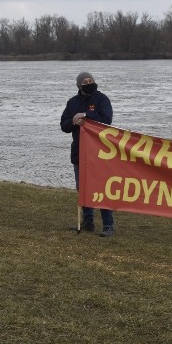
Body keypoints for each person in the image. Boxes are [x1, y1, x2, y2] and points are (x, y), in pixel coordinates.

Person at [60, 71, 115, 236]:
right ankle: (88, 220)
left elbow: (106, 120)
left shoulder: (102, 99)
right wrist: (73, 122)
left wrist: (86, 115)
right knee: (82, 187)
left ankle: (108, 224)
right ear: (79, 85)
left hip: (100, 152)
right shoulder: (72, 103)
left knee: (102, 188)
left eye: (91, 80)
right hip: (79, 151)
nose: (88, 83)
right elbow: (64, 125)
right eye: (85, 81)